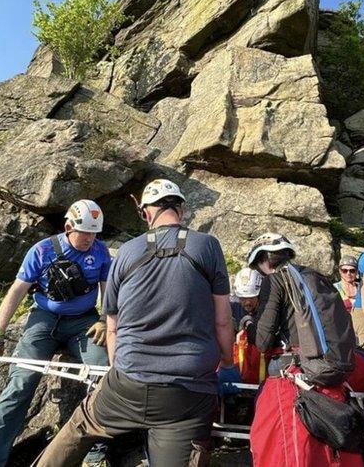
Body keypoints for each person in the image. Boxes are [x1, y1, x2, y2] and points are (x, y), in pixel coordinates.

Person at [33, 178, 239, 467]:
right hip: (186, 394)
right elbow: (223, 321)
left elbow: (113, 325)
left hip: (127, 383)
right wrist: (228, 365)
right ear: (181, 209)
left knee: (79, 427)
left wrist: (120, 370)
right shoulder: (207, 246)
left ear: (145, 213)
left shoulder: (126, 252)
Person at [0, 199, 111, 467]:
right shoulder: (43, 250)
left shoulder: (101, 252)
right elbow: (17, 291)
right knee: (21, 382)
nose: (90, 239)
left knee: (101, 373)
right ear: (69, 227)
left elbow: (109, 290)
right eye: (85, 233)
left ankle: (95, 451)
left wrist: (104, 319)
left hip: (84, 323)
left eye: (95, 233)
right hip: (44, 320)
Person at [246, 233, 362, 467]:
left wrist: (248, 324)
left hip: (291, 381)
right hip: (328, 378)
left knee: (286, 451)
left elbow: (263, 340)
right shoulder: (315, 277)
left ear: (263, 261)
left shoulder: (275, 280)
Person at [232, 267, 266, 384]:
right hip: (238, 364)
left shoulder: (268, 308)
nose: (247, 302)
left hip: (262, 365)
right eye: (243, 298)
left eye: (251, 298)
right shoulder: (232, 306)